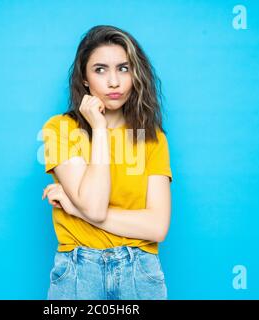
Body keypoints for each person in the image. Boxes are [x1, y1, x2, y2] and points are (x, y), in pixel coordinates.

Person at [41, 25, 173, 300]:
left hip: (140, 271)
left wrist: (76, 211)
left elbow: (157, 227)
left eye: (123, 68)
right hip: (78, 271)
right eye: (100, 69)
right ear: (85, 79)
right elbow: (95, 205)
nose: (114, 81)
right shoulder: (61, 129)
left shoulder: (152, 137)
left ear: (136, 74)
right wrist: (99, 129)